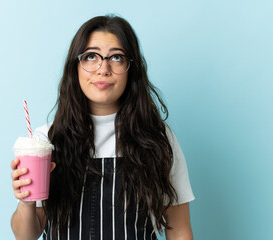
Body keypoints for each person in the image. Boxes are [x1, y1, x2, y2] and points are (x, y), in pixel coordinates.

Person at [10, 15, 195, 240]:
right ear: (75, 67)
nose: (103, 68)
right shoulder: (46, 140)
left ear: (131, 68)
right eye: (90, 56)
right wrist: (26, 202)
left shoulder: (158, 138)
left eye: (116, 57)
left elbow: (180, 231)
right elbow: (26, 236)